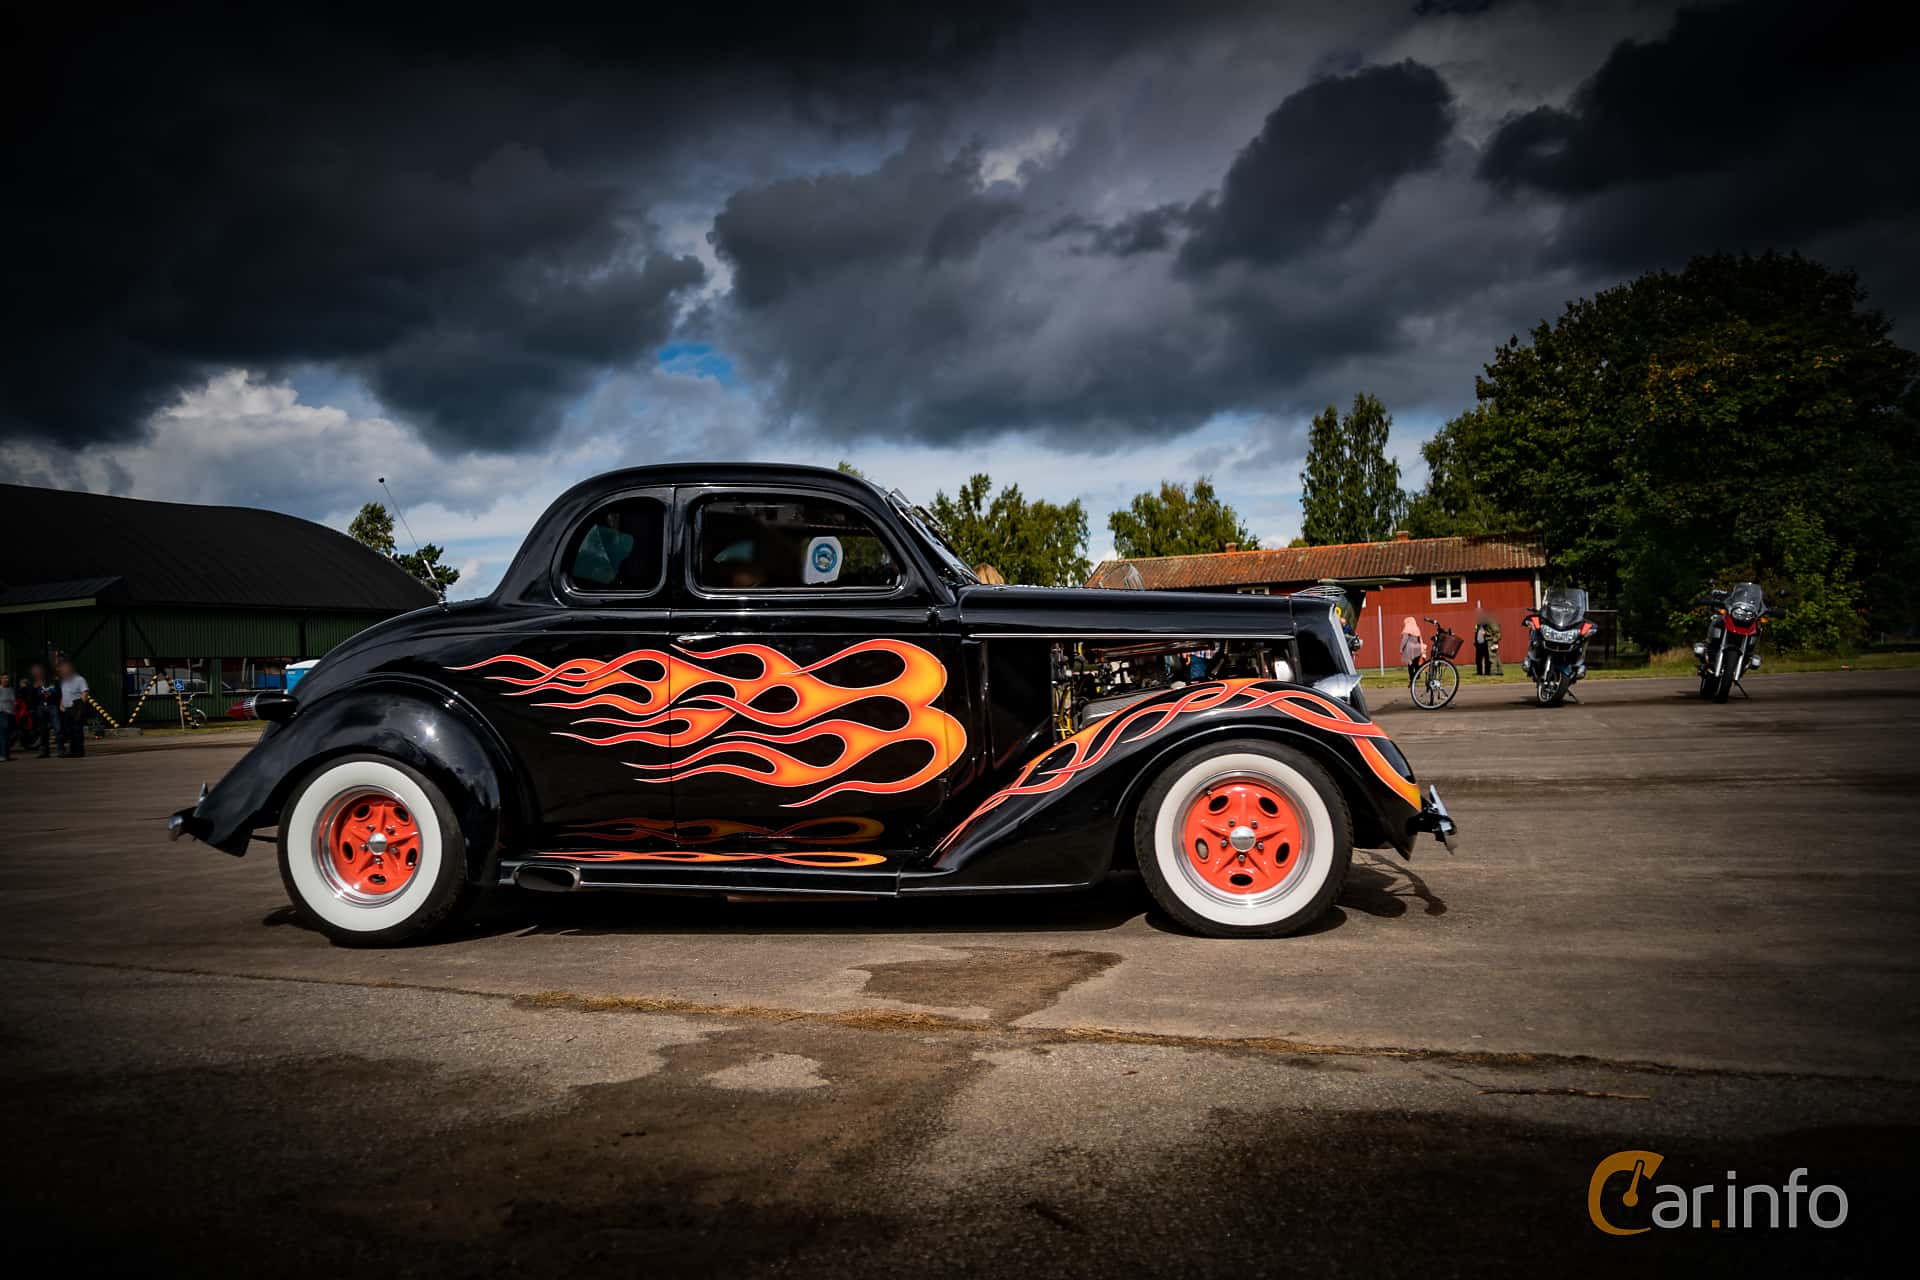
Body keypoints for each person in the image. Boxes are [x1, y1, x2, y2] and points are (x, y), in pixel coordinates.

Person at [56, 658, 89, 758]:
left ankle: (79, 751)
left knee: (77, 730)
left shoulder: (80, 679)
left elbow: (84, 693)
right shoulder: (64, 681)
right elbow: (64, 693)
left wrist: (80, 707)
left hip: (76, 707)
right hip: (67, 709)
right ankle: (72, 750)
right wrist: (61, 704)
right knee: (69, 730)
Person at [29, 662, 55, 758]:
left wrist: (51, 693)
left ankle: (61, 749)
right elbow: (31, 697)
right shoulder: (34, 683)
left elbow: (57, 691)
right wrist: (34, 688)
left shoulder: (50, 681)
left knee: (58, 728)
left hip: (52, 706)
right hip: (40, 707)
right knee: (42, 730)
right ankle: (44, 751)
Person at [1399, 616, 1426, 686]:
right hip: (1417, 648)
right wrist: (1422, 648)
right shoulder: (1417, 628)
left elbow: (1404, 640)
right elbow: (1420, 639)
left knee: (1410, 664)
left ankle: (1412, 678)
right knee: (1416, 663)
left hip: (1409, 649)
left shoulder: (1407, 629)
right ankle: (1417, 675)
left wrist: (1401, 649)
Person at [1473, 612, 1491, 677]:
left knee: (1487, 659)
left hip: (1485, 644)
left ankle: (1487, 672)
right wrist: (1475, 641)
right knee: (1478, 659)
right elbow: (1476, 633)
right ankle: (1479, 672)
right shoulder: (1477, 626)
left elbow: (1491, 633)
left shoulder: (1487, 626)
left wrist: (1486, 633)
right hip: (1478, 644)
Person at [0, 673, 13, 761]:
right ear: (1, 679)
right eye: (4, 678)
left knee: (8, 736)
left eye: (7, 678)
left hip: (10, 714)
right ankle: (3, 755)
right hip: (2, 714)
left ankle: (6, 755)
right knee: (3, 735)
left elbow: (13, 700)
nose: (6, 680)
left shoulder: (10, 689)